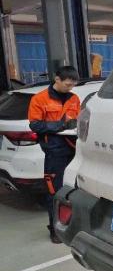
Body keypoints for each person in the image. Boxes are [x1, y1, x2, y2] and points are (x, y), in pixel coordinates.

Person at [28, 66, 81, 243]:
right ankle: (54, 229)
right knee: (54, 191)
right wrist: (60, 126)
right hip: (54, 151)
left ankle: (74, 225)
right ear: (57, 79)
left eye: (73, 85)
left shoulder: (74, 98)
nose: (70, 88)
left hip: (74, 150)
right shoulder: (40, 99)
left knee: (75, 191)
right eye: (67, 84)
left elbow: (77, 119)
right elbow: (35, 125)